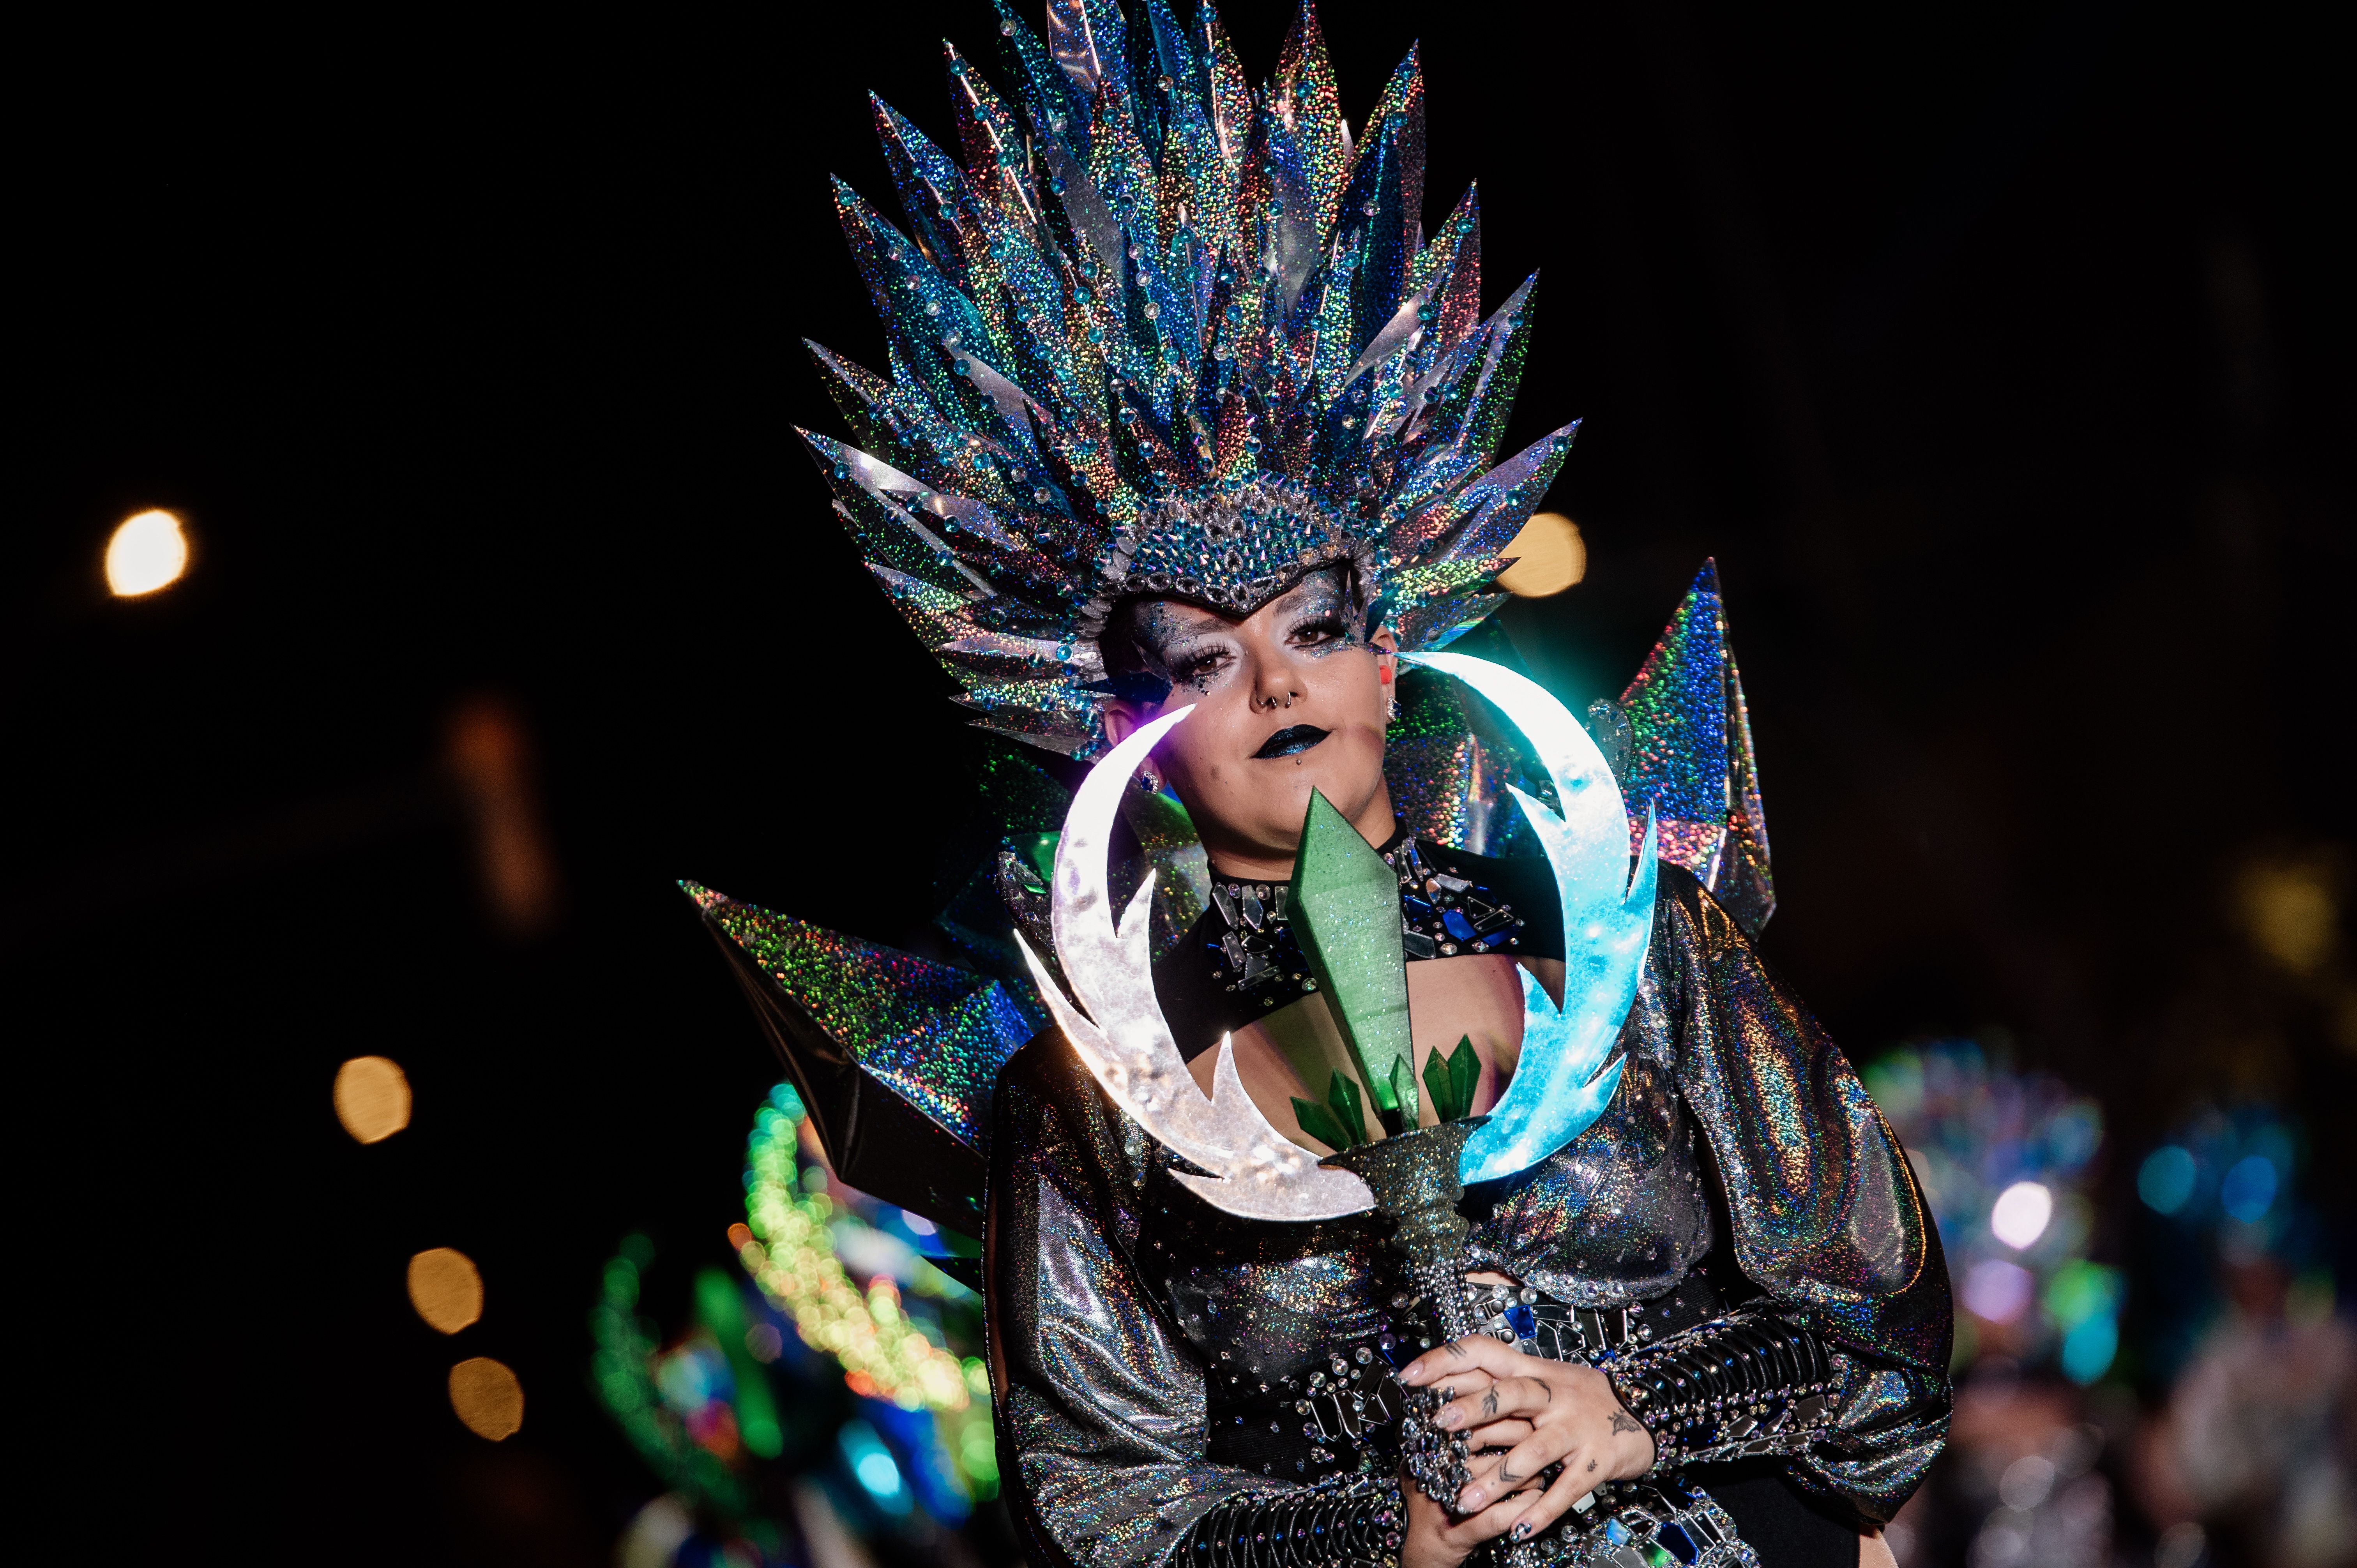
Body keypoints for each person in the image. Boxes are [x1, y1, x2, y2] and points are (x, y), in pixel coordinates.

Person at [721, 5, 1953, 1564]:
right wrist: (1392, 1531)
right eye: (1201, 664)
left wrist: (1626, 1412)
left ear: (1390, 655)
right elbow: (1109, 1520)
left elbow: (1885, 1343)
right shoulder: (1093, 1107)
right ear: (1126, 734)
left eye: (1313, 628)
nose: (1279, 681)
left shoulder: (1633, 948)